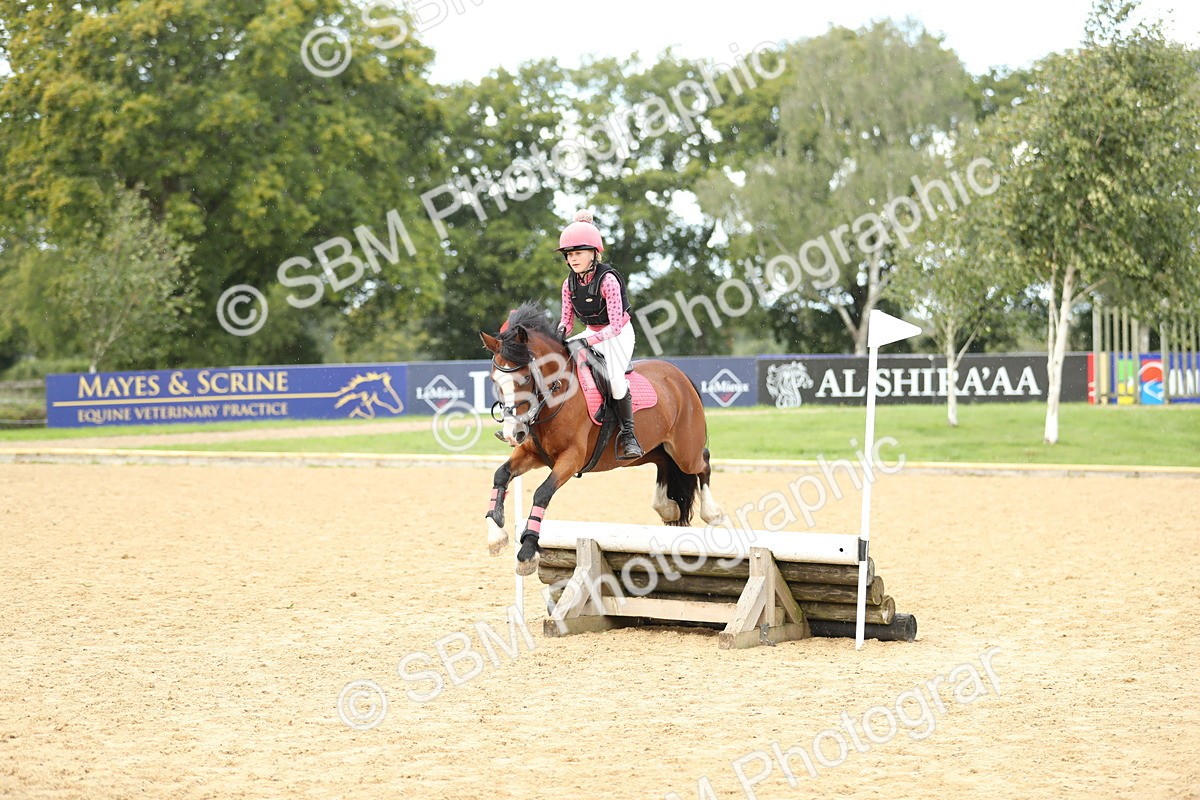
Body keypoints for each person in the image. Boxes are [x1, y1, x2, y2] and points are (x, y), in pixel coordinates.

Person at [555, 210, 643, 460]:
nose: (572, 259)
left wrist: (586, 341)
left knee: (614, 378)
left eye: (578, 253)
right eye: (569, 255)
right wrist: (560, 334)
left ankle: (629, 435)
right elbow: (567, 321)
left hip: (619, 335)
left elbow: (615, 326)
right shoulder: (568, 284)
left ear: (594, 253)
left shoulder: (608, 281)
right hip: (590, 332)